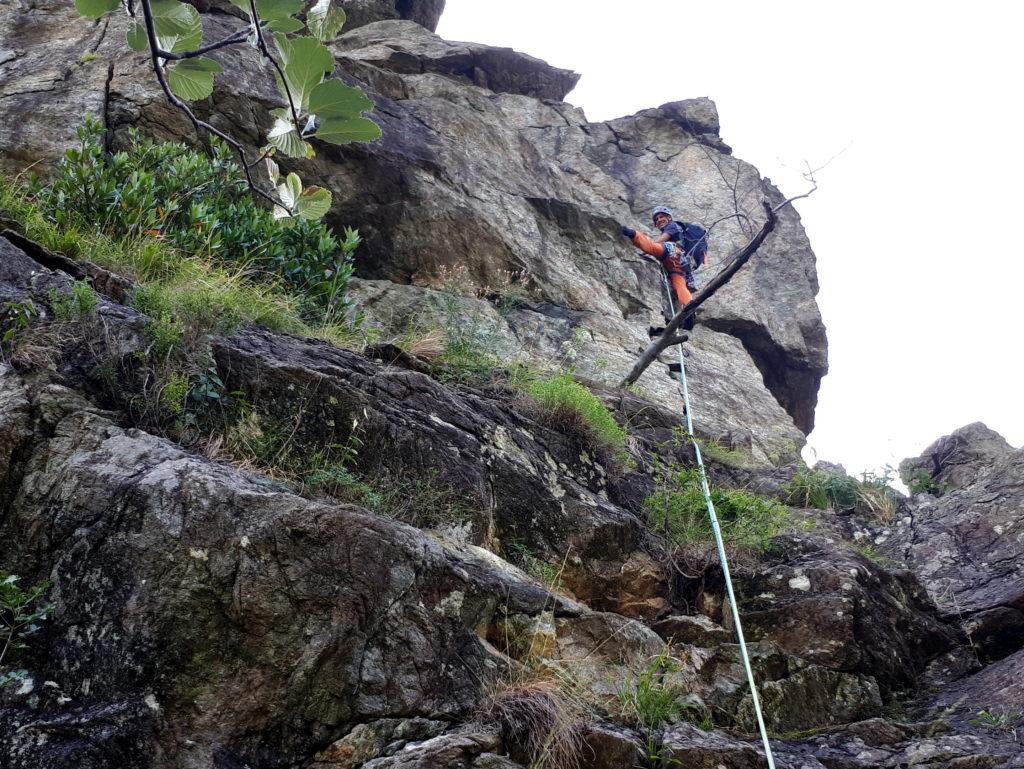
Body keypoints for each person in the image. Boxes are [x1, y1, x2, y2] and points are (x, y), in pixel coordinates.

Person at [621, 206, 699, 309]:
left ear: (669, 217)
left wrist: (649, 250)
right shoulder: (676, 229)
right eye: (656, 219)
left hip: (672, 252)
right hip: (679, 263)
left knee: (652, 246)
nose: (659, 220)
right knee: (679, 285)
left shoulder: (673, 225)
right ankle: (689, 310)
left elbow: (661, 241)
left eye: (661, 217)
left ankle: (632, 233)